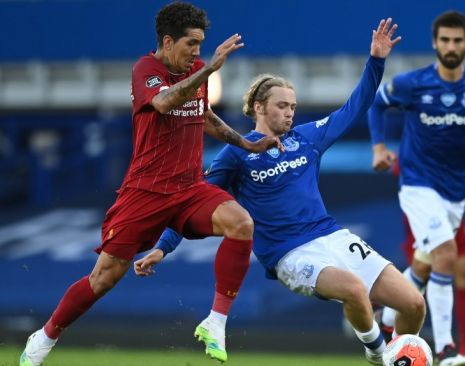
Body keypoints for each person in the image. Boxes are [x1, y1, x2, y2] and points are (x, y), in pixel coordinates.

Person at [134, 18, 426, 365]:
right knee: (354, 290)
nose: (290, 113)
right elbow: (193, 202)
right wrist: (162, 248)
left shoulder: (306, 138)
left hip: (330, 234)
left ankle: (399, 349)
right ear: (259, 107)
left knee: (413, 303)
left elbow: (355, 107)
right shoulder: (237, 152)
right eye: (282, 106)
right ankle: (379, 356)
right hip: (289, 253)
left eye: (292, 106)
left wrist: (376, 61)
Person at [19, 3, 282, 366]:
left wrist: (248, 143)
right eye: (191, 43)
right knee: (105, 277)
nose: (197, 51)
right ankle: (46, 336)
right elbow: (164, 102)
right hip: (146, 192)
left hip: (190, 188)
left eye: (201, 44)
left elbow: (202, 115)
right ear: (168, 41)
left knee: (241, 223)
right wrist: (209, 69)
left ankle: (216, 322)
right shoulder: (147, 69)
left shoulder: (194, 71)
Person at [368, 10, 465, 366]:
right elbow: (377, 104)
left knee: (425, 264)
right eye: (444, 40)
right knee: (448, 255)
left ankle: (386, 324)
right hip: (417, 184)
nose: (450, 46)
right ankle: (448, 349)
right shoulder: (413, 83)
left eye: (457, 41)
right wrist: (378, 147)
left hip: (455, 191)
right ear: (435, 43)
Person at [380, 164, 465, 366]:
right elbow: (404, 165)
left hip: (452, 212)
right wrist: (379, 147)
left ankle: (461, 350)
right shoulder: (420, 136)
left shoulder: (459, 135)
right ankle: (389, 321)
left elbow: (458, 155)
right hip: (424, 212)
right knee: (423, 271)